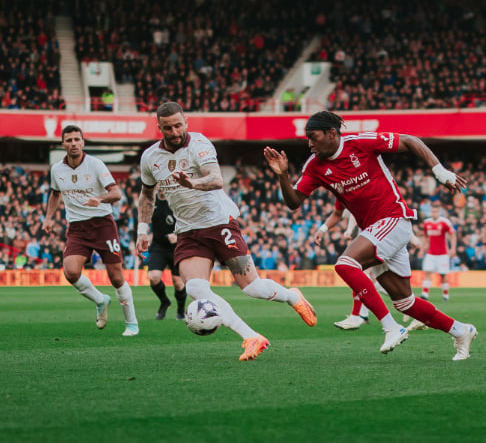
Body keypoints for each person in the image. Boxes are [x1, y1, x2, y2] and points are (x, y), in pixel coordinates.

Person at [264, 111, 478, 360]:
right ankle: (461, 331)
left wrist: (439, 170)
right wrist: (282, 176)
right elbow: (294, 202)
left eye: (313, 137)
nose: (309, 144)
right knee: (405, 302)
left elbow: (409, 140)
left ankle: (391, 327)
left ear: (331, 134)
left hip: (394, 218)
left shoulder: (360, 143)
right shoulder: (314, 166)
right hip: (374, 230)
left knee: (345, 264)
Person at [135, 102, 317, 362]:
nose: (174, 131)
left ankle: (291, 296)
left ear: (186, 122)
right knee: (196, 288)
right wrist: (143, 230)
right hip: (187, 230)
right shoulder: (150, 158)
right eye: (167, 128)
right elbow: (147, 194)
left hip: (219, 222)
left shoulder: (200, 145)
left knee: (252, 288)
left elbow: (216, 179)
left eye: (178, 125)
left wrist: (192, 182)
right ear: (159, 128)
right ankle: (251, 336)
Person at [43, 125, 139, 336]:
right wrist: (48, 218)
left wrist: (100, 199)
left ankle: (131, 323)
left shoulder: (95, 165)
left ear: (83, 142)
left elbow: (116, 193)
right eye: (69, 140)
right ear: (63, 144)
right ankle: (100, 300)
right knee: (70, 271)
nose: (74, 143)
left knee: (115, 276)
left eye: (77, 139)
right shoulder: (57, 169)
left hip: (102, 224)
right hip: (77, 228)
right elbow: (55, 194)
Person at [145, 195, 187, 321]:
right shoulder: (152, 202)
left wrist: (177, 236)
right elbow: (144, 220)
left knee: (178, 283)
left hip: (176, 247)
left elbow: (187, 222)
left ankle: (180, 311)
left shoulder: (176, 200)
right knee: (153, 276)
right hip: (158, 246)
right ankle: (164, 301)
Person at [418, 204, 456, 302]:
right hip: (431, 253)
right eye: (433, 212)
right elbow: (426, 237)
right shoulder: (427, 223)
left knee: (443, 275)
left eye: (436, 211)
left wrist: (452, 249)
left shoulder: (444, 222)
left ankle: (445, 295)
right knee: (427, 272)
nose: (434, 213)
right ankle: (424, 294)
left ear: (439, 212)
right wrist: (422, 249)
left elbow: (453, 234)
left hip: (443, 254)